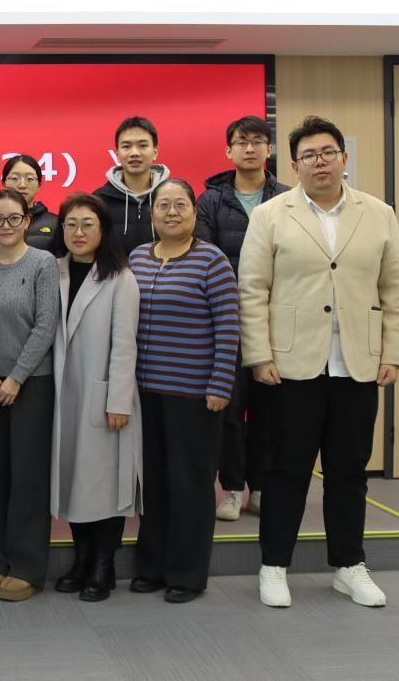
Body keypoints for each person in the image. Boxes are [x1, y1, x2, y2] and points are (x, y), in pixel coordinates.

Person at [240, 116, 399, 610]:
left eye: (328, 153)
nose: (320, 162)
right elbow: (252, 289)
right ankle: (274, 566)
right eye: (309, 156)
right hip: (291, 365)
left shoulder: (378, 213)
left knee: (349, 470)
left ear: (344, 158)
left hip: (358, 363)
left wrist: (395, 353)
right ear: (294, 165)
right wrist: (258, 355)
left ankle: (349, 565)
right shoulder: (271, 215)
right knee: (286, 470)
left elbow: (396, 288)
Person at [128, 179, 239, 604]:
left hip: (194, 395)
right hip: (145, 393)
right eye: (163, 205)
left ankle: (187, 574)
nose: (171, 212)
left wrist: (220, 384)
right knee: (154, 484)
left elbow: (228, 328)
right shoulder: (138, 257)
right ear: (153, 213)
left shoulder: (212, 261)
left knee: (190, 485)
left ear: (194, 212)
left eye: (180, 205)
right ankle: (152, 566)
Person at [194, 116, 290, 522]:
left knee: (270, 411)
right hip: (228, 322)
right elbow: (205, 258)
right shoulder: (210, 201)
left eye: (257, 141)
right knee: (230, 411)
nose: (249, 148)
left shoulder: (289, 199)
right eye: (241, 142)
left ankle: (262, 487)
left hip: (277, 322)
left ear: (269, 149)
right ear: (228, 150)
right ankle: (232, 489)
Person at [50, 192, 141, 603]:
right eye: (71, 224)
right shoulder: (52, 271)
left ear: (103, 230)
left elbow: (125, 344)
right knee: (73, 481)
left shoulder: (120, 277)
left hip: (104, 397)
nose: (78, 232)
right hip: (62, 395)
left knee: (103, 485)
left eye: (88, 224)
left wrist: (118, 399)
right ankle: (82, 559)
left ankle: (104, 566)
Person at [0, 189, 59, 601]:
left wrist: (17, 377)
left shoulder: (42, 263)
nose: (5, 226)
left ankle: (26, 565)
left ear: (28, 221)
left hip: (32, 384)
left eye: (13, 218)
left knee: (27, 475)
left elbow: (46, 325)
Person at [93, 117, 172, 255]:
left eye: (142, 145)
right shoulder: (99, 201)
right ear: (117, 154)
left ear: (155, 151)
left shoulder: (173, 197)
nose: (134, 153)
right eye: (126, 146)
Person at [0, 154, 59, 257]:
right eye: (15, 178)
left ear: (39, 184)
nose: (22, 185)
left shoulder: (55, 222)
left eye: (30, 179)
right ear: (4, 183)